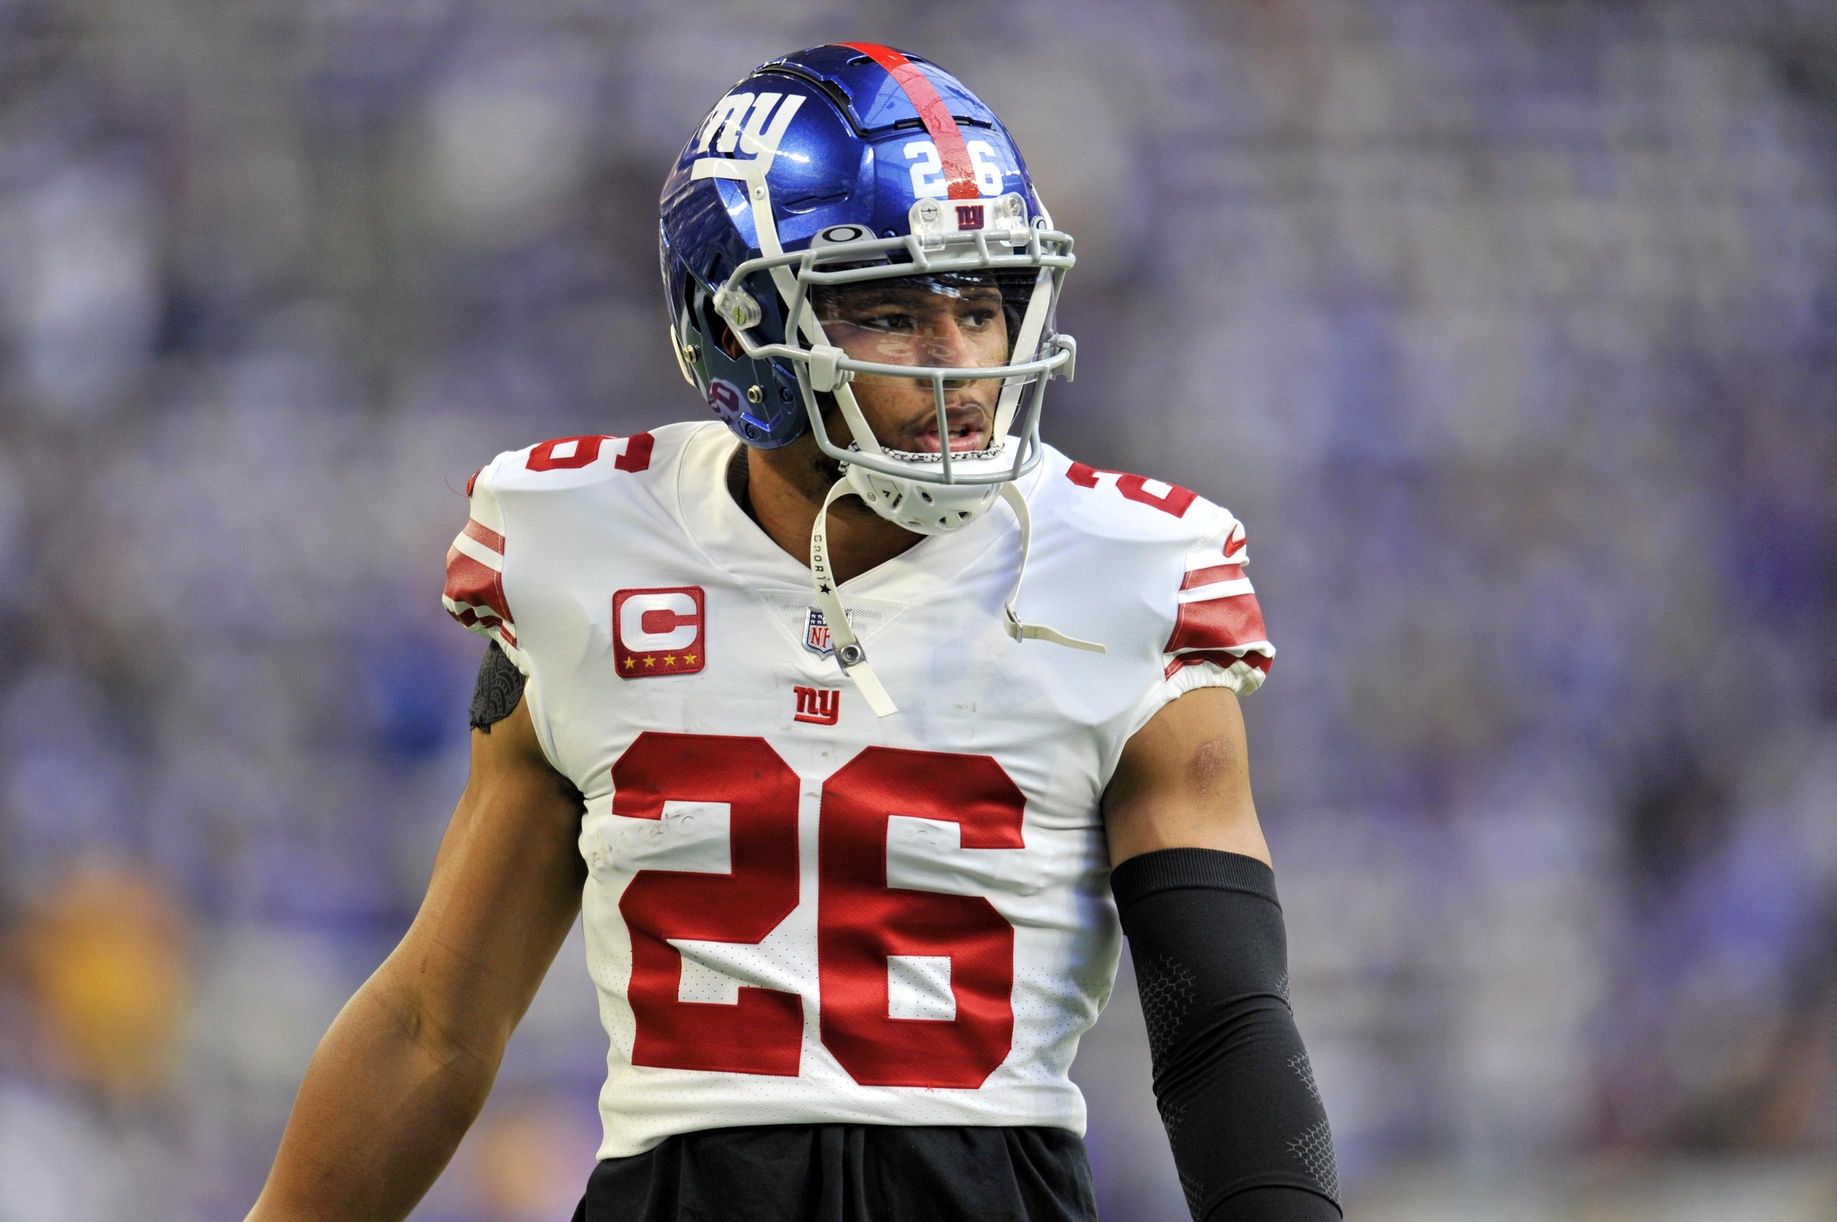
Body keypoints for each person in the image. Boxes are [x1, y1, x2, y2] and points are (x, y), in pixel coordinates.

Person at [250, 43, 1339, 1222]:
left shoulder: (1127, 569)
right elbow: (433, 1026)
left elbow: (1224, 1026)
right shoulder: (587, 551)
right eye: (891, 312)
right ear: (738, 327)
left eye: (980, 306)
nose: (961, 367)